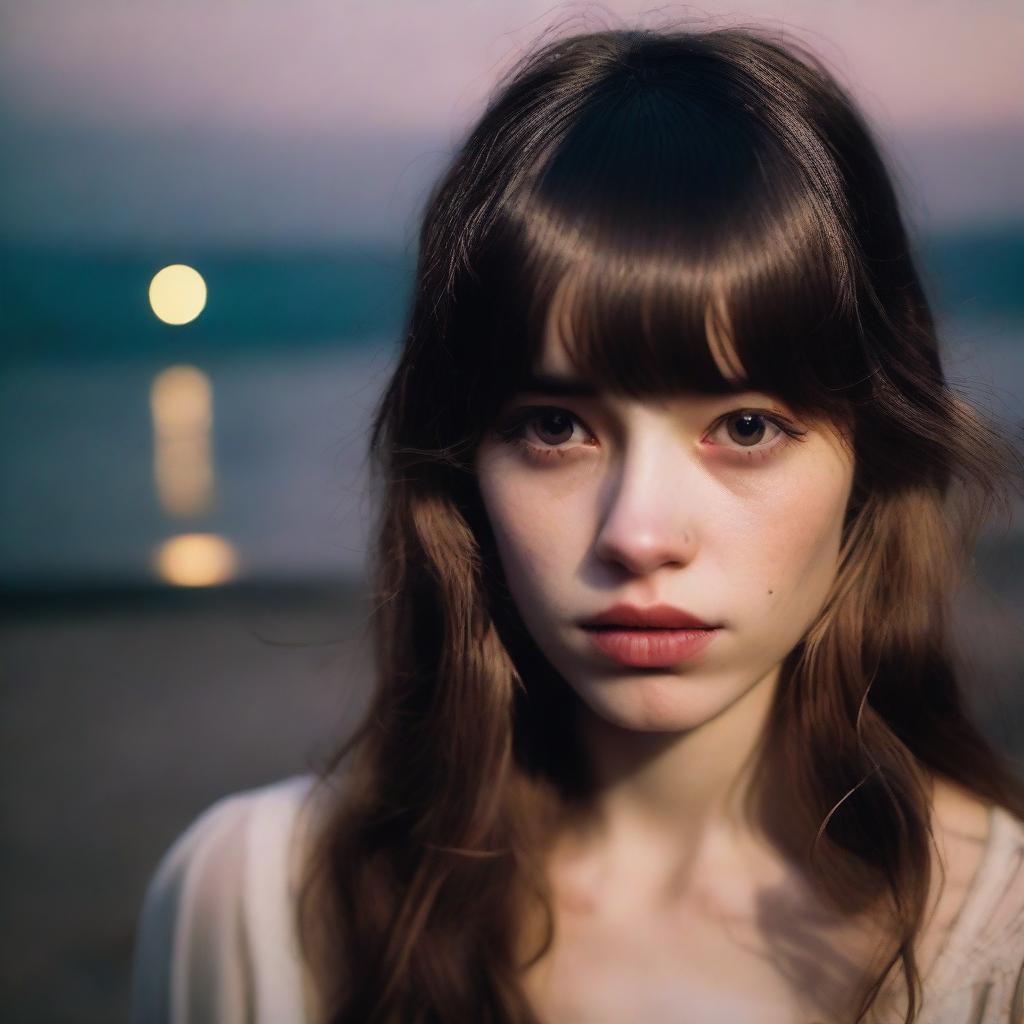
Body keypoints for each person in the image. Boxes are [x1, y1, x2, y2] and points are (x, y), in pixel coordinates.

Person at [130, 22, 1024, 1024]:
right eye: (554, 426)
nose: (639, 535)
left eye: (743, 425)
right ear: (465, 462)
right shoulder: (255, 907)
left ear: (870, 459)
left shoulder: (997, 939)